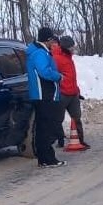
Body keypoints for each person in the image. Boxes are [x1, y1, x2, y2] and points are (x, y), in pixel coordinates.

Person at [26, 26, 65, 167]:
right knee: (45, 128)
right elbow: (44, 72)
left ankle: (44, 159)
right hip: (43, 95)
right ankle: (48, 159)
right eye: (51, 40)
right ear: (47, 40)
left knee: (43, 127)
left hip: (43, 95)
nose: (53, 43)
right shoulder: (40, 54)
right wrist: (58, 76)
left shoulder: (39, 52)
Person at [53, 35, 89, 149]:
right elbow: (54, 76)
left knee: (76, 117)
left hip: (73, 93)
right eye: (71, 47)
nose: (73, 49)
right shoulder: (56, 58)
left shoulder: (69, 57)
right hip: (62, 93)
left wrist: (77, 91)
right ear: (64, 47)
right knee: (58, 118)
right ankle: (60, 139)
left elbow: (71, 76)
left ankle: (80, 140)